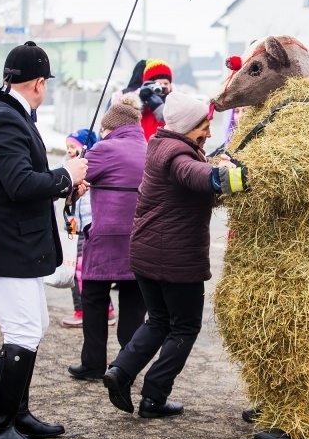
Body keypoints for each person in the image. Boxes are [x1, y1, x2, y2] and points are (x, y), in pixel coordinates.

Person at [0, 41, 88, 439]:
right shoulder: (5, 121)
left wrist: (62, 182)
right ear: (38, 83)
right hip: (2, 246)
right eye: (45, 82)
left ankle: (18, 413)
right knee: (24, 330)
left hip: (12, 244)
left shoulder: (7, 113)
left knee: (36, 325)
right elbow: (19, 185)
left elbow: (20, 179)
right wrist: (66, 175)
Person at [102, 91, 248, 419]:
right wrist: (234, 177)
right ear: (186, 126)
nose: (209, 132)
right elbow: (194, 174)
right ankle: (153, 397)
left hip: (147, 253)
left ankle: (120, 371)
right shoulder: (178, 154)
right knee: (184, 327)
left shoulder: (161, 144)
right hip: (175, 260)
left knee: (158, 320)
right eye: (204, 125)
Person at [68, 95, 148, 381]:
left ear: (110, 126)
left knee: (93, 299)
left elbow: (72, 182)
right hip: (141, 239)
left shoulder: (103, 149)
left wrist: (79, 162)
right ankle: (124, 366)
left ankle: (92, 364)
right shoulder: (149, 147)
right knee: (133, 305)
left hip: (106, 238)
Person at [59, 128, 102, 328]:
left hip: (88, 228)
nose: (69, 151)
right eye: (67, 147)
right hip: (73, 228)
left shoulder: (91, 168)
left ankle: (84, 310)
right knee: (77, 268)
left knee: (81, 271)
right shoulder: (65, 167)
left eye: (73, 147)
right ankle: (98, 310)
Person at [138, 59, 173, 141]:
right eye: (158, 84)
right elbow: (129, 120)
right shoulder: (140, 100)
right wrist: (141, 101)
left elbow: (173, 124)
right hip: (142, 146)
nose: (162, 87)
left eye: (166, 83)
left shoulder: (175, 103)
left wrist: (158, 106)